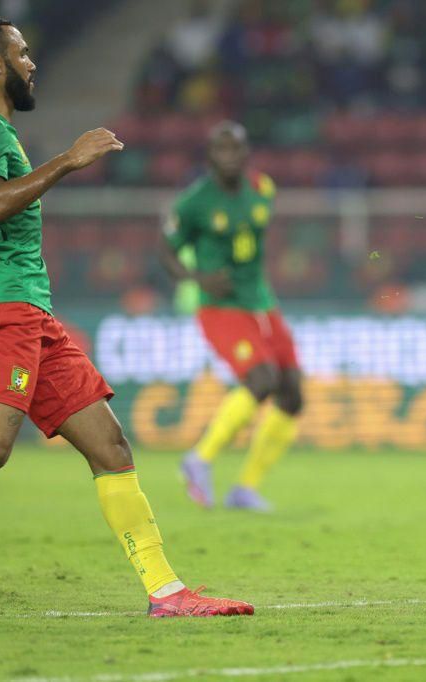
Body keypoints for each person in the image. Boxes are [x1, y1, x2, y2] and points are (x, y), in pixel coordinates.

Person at [0, 16, 252, 619]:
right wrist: (68, 160)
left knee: (112, 448)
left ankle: (168, 594)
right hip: (3, 310)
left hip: (33, 315)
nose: (32, 62)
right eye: (22, 52)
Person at [162, 121, 302, 512]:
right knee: (261, 379)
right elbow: (166, 251)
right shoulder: (194, 203)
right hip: (219, 307)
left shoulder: (263, 190)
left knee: (292, 394)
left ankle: (245, 489)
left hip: (261, 301)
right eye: (221, 150)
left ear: (246, 153)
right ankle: (198, 459)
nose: (229, 156)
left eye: (235, 148)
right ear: (209, 156)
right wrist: (196, 276)